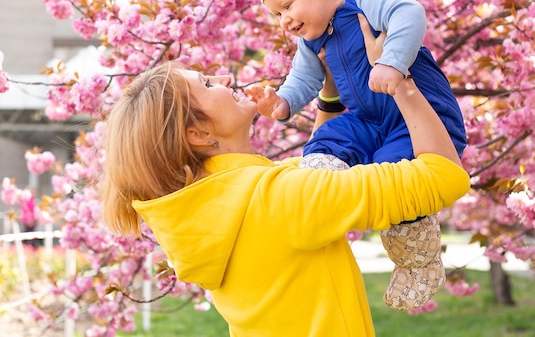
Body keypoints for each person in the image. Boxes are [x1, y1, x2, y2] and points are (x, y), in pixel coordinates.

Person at [99, 29, 470, 335]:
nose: (226, 78)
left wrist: (330, 94)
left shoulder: (203, 210)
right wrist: (400, 80)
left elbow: (313, 178)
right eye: (208, 83)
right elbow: (442, 177)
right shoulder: (279, 199)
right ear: (198, 133)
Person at [249, 0, 467, 310]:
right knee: (326, 141)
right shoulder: (312, 40)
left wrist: (392, 63)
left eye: (287, 5)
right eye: (276, 15)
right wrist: (280, 103)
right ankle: (323, 185)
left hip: (416, 117)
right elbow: (304, 80)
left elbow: (410, 13)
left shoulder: (363, 1)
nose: (284, 22)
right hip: (367, 118)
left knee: (396, 178)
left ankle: (418, 262)